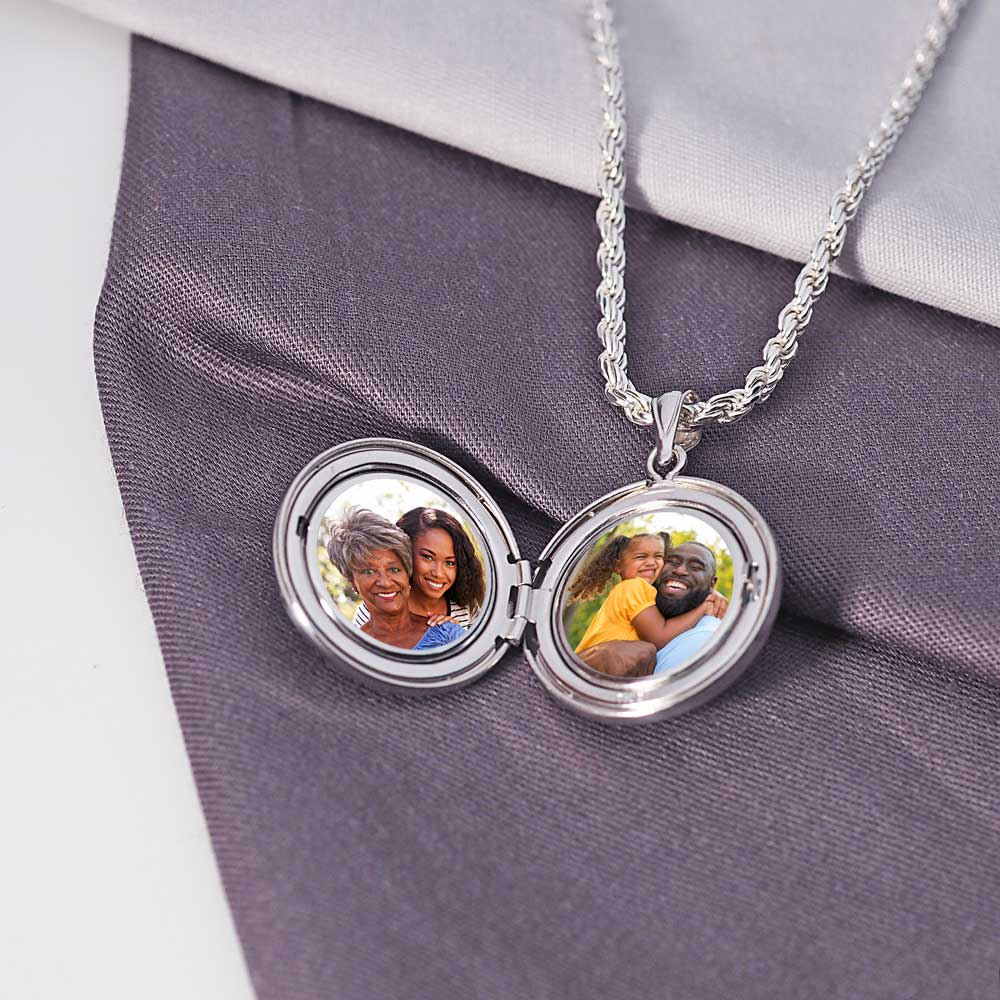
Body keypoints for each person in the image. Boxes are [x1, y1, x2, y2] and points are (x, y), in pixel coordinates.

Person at [570, 532, 721, 677]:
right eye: (640, 557)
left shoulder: (648, 592)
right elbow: (659, 637)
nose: (651, 563)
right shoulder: (634, 587)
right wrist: (703, 607)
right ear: (618, 566)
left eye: (658, 557)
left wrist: (712, 594)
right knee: (645, 650)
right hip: (597, 671)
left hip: (597, 671)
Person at [327, 506, 464, 651]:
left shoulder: (449, 634)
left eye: (394, 569)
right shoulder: (351, 649)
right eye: (369, 572)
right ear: (352, 581)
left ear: (408, 573)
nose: (385, 582)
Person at [352, 506, 486, 629]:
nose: (439, 573)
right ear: (406, 554)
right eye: (428, 557)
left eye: (450, 563)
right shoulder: (372, 611)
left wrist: (458, 637)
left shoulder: (466, 607)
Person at [652, 542, 727, 674]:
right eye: (673, 562)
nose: (679, 571)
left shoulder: (703, 638)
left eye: (695, 567)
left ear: (712, 584)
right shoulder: (633, 601)